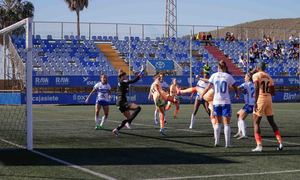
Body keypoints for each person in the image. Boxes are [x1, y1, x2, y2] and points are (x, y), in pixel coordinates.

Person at [201, 60, 239, 148]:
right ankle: (227, 144)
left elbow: (208, 86)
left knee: (218, 123)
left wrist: (203, 94)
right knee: (227, 124)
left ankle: (216, 142)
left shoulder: (214, 75)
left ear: (218, 67)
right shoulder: (228, 76)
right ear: (225, 67)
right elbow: (235, 86)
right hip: (225, 101)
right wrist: (237, 94)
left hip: (216, 102)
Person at [251, 62, 283, 152]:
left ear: (257, 67)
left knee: (256, 122)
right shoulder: (269, 76)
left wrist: (255, 101)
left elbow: (257, 87)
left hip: (260, 99)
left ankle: (259, 145)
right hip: (268, 99)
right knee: (272, 122)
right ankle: (280, 143)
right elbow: (273, 92)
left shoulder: (256, 75)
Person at [112, 67, 144, 136]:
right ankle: (127, 123)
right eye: (125, 76)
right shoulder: (123, 81)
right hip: (122, 102)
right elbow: (134, 81)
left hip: (119, 103)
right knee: (138, 108)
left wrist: (139, 76)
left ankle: (117, 129)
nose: (126, 76)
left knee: (129, 118)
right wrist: (141, 71)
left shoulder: (120, 82)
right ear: (122, 77)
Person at [234, 73, 255, 139]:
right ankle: (240, 132)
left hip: (250, 104)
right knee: (238, 114)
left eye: (245, 77)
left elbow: (237, 88)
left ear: (249, 78)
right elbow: (246, 91)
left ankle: (244, 134)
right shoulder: (253, 84)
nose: (244, 78)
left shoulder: (246, 84)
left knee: (241, 118)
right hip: (250, 104)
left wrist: (233, 88)